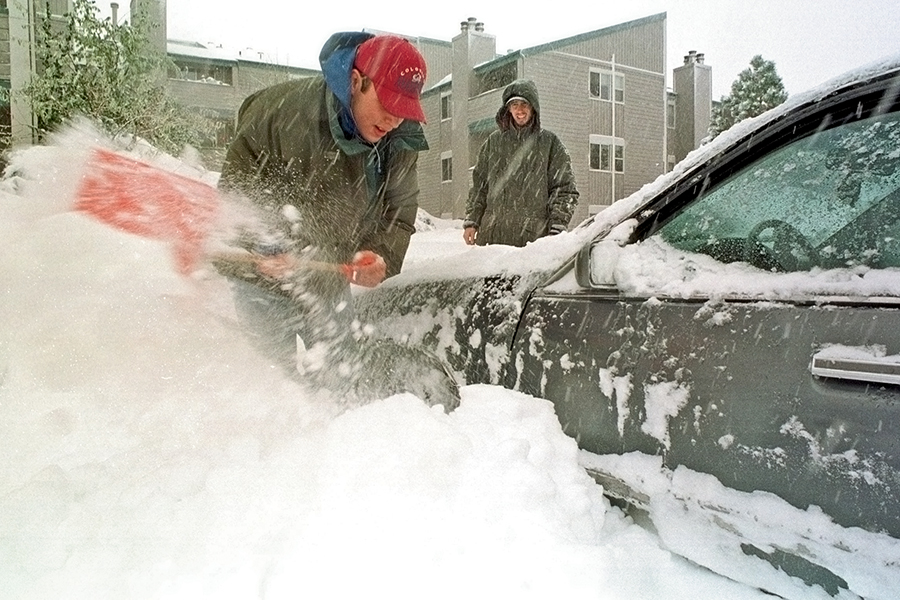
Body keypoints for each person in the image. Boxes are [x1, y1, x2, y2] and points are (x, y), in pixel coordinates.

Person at [216, 32, 458, 409]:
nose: (395, 119)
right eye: (388, 103)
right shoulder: (282, 113)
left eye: (404, 107)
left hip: (328, 274)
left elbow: (400, 212)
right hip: (260, 276)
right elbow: (237, 190)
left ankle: (336, 448)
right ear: (358, 81)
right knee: (272, 384)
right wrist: (260, 242)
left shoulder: (401, 139)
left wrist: (381, 255)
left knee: (338, 374)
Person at [463, 79, 579, 247]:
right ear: (508, 109)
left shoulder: (550, 144)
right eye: (514, 104)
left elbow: (565, 190)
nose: (520, 110)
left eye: (525, 104)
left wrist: (557, 226)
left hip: (532, 244)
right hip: (492, 241)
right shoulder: (492, 143)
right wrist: (472, 221)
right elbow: (479, 187)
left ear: (533, 107)